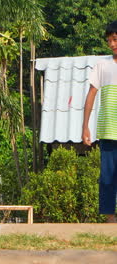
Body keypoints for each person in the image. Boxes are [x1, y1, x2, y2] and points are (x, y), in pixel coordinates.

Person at [82, 20, 117, 223]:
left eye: (115, 39)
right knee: (107, 178)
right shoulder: (102, 66)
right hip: (108, 131)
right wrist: (85, 125)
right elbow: (91, 94)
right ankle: (109, 218)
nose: (112, 44)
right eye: (109, 41)